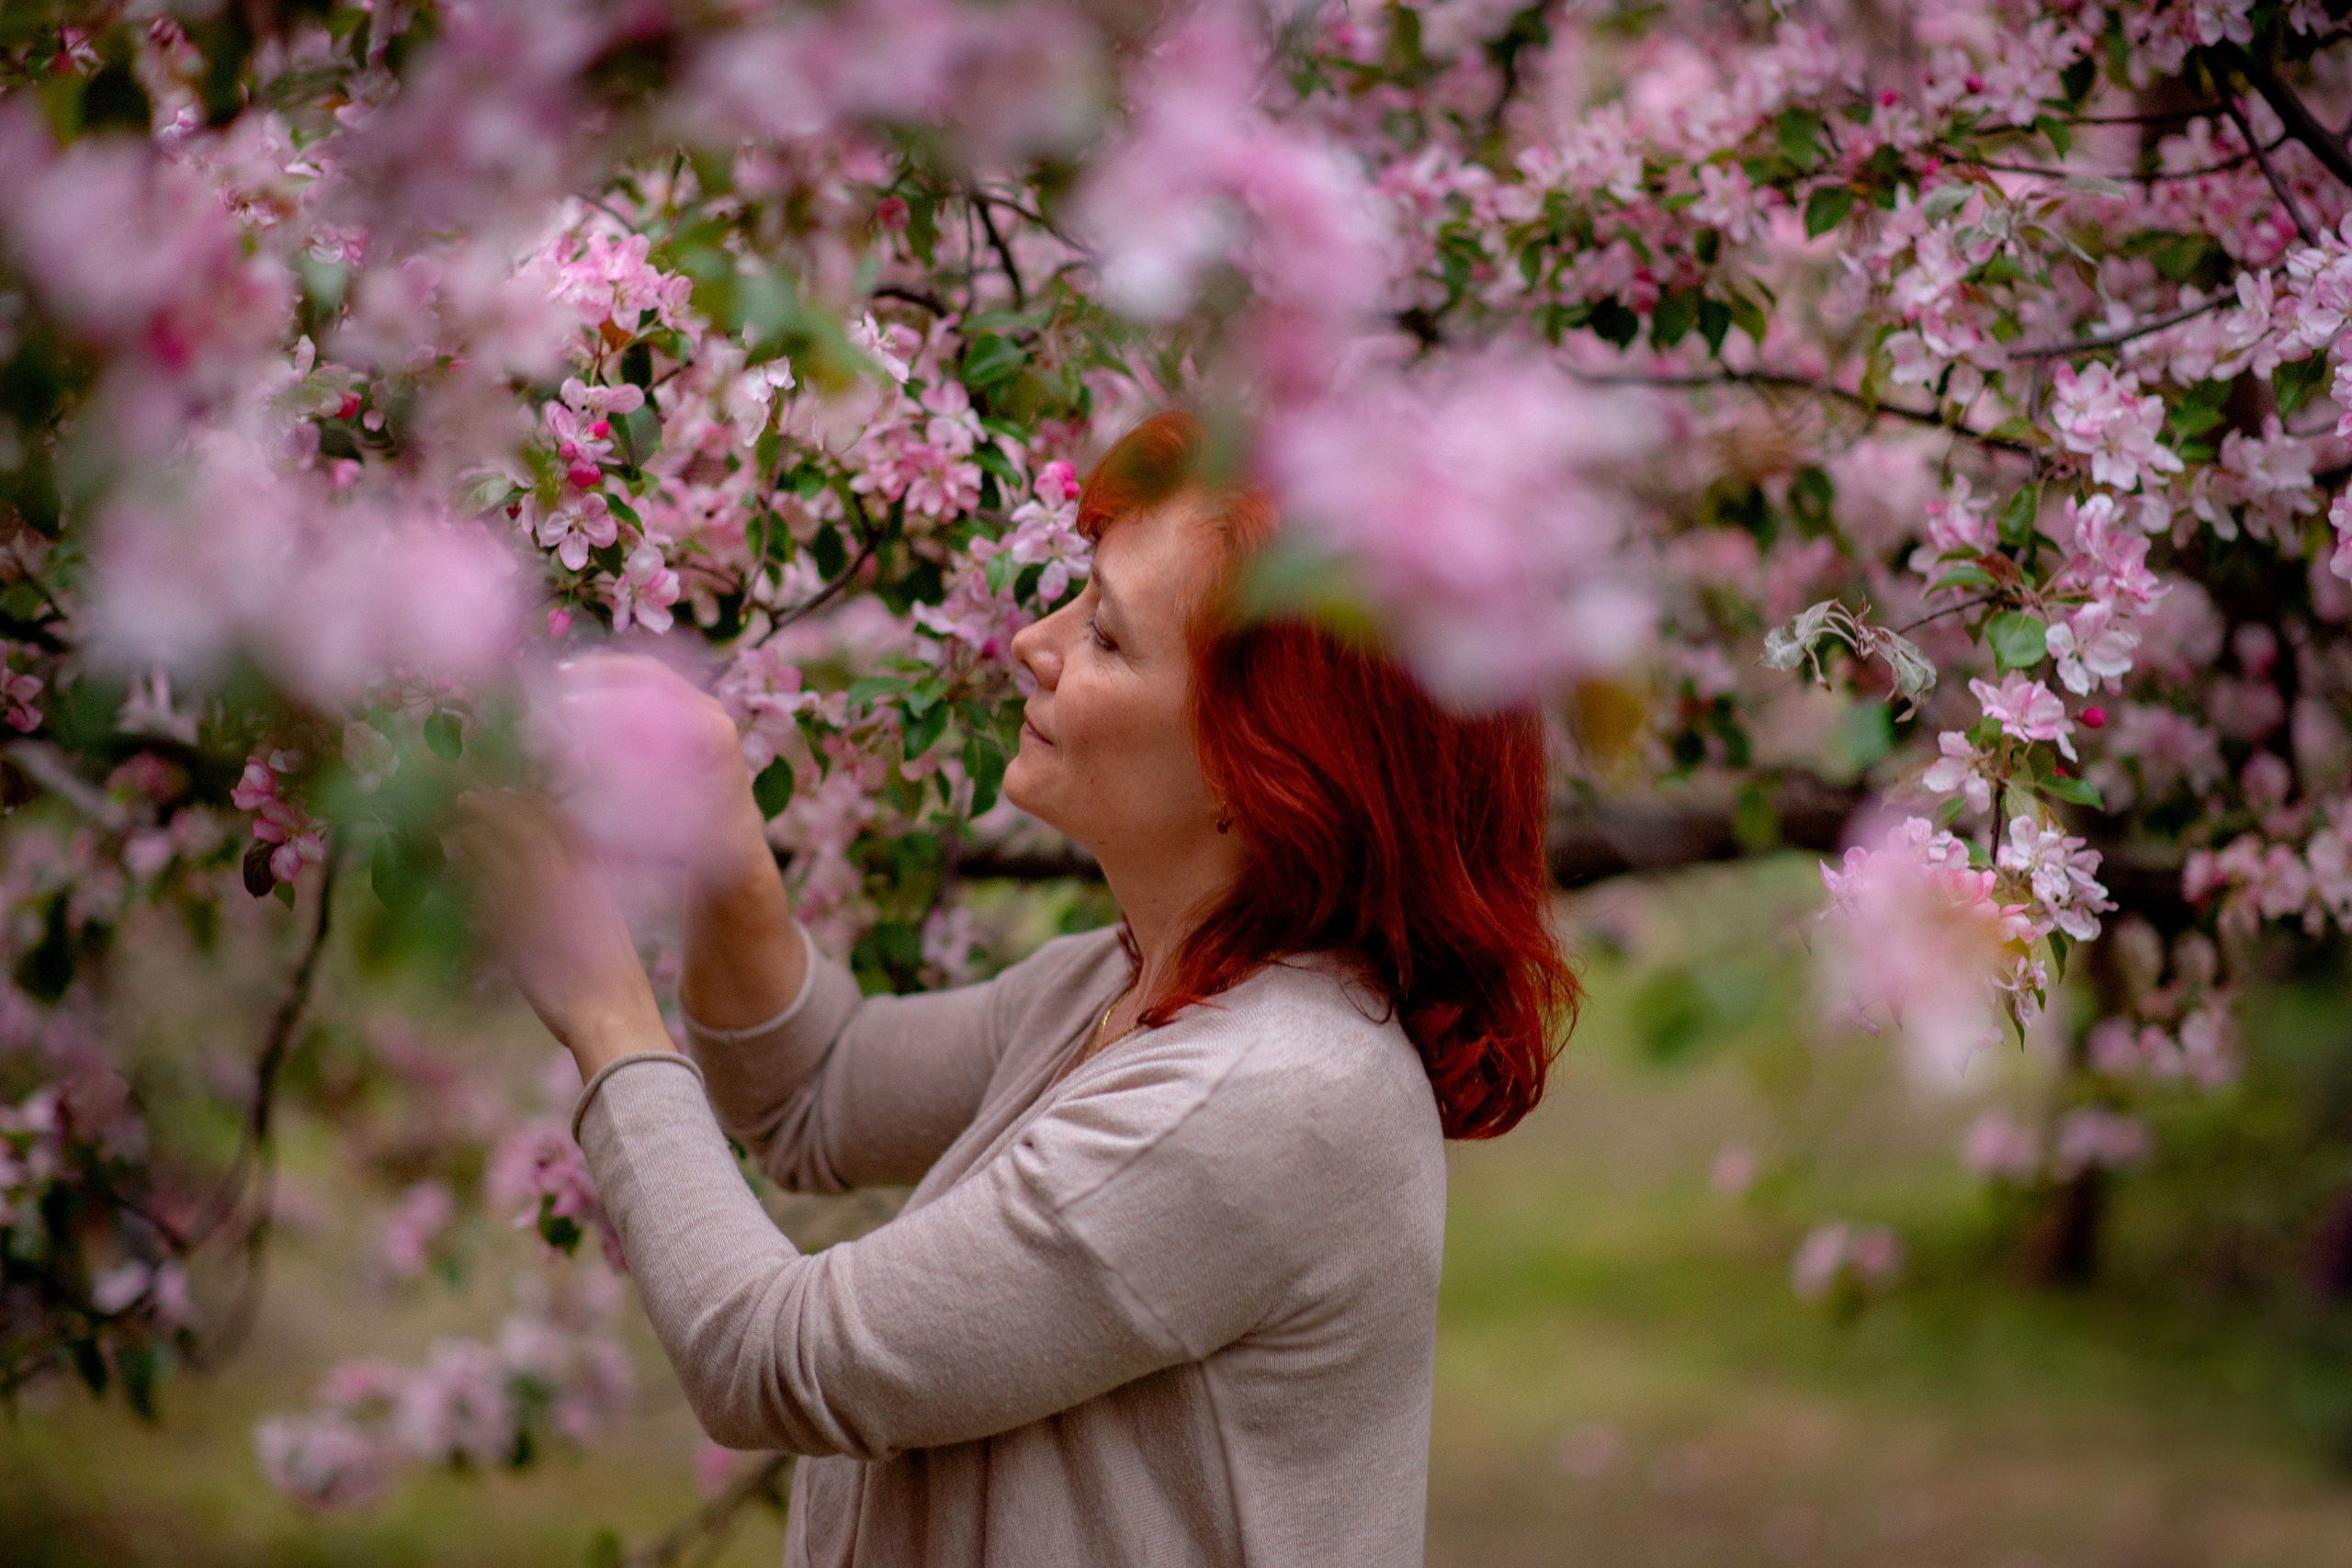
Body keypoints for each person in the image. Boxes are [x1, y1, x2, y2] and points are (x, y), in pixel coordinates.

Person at [457, 411, 1580, 1567]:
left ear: (1260, 766)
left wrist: (605, 1011)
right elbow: (814, 1092)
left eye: (1104, 636)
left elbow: (773, 1361)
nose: (1031, 644)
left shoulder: (1269, 1095)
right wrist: (725, 851)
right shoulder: (1132, 981)